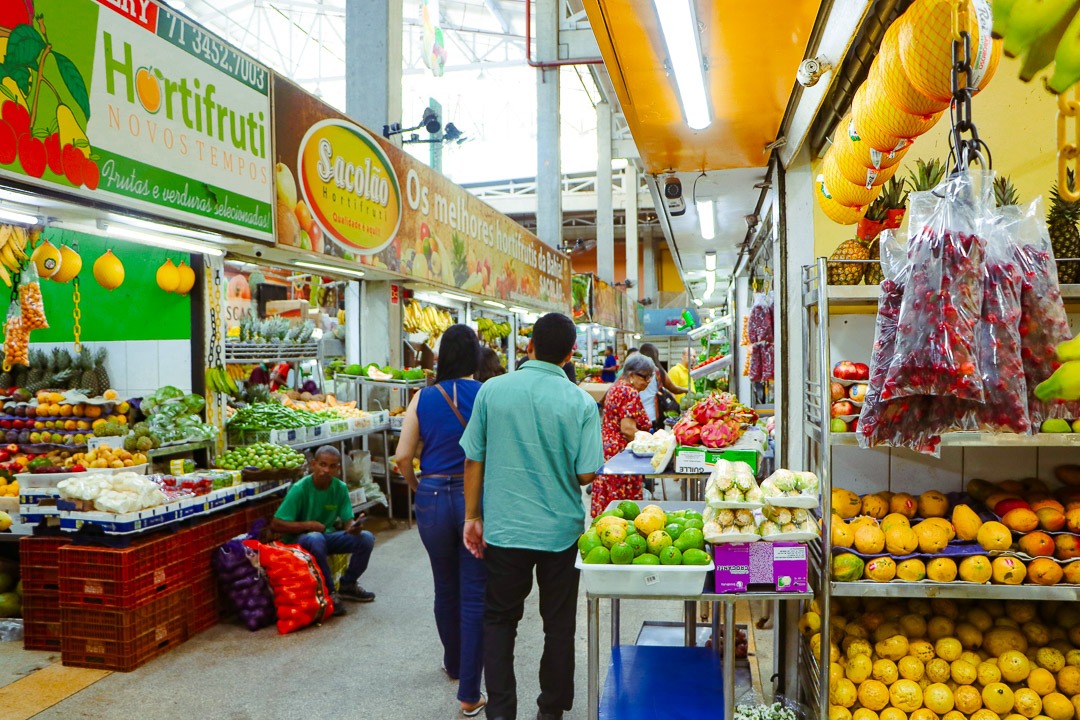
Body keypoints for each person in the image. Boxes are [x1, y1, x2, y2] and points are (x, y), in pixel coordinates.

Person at [461, 312, 604, 720]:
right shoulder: (579, 401)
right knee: (558, 624)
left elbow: (474, 458)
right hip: (561, 531)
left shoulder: (492, 391)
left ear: (530, 346)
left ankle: (502, 711)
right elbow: (585, 473)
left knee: (500, 621)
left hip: (505, 529)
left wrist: (472, 516)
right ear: (571, 353)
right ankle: (551, 710)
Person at [396, 325, 487, 717]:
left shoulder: (422, 397)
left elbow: (402, 456)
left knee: (444, 586)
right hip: (473, 501)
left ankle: (452, 662)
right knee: (474, 591)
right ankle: (469, 691)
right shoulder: (485, 395)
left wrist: (418, 485)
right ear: (475, 357)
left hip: (432, 497)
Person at [270, 446, 375, 614]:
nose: (327, 470)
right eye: (323, 464)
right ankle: (330, 593)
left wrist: (354, 527)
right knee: (315, 537)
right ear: (314, 465)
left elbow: (347, 520)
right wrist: (308, 525)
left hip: (325, 537)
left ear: (338, 469)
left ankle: (348, 584)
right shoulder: (300, 488)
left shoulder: (339, 488)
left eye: (332, 466)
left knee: (366, 538)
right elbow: (276, 524)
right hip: (300, 541)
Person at [593, 353, 655, 517]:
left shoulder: (616, 387)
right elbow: (628, 429)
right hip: (624, 459)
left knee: (609, 511)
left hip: (609, 455)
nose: (648, 381)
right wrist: (652, 443)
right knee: (624, 512)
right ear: (632, 375)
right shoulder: (629, 392)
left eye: (650, 377)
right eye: (645, 377)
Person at [637, 343, 688, 429]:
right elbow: (674, 389)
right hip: (653, 416)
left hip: (637, 416)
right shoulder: (659, 372)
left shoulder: (634, 373)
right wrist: (687, 390)